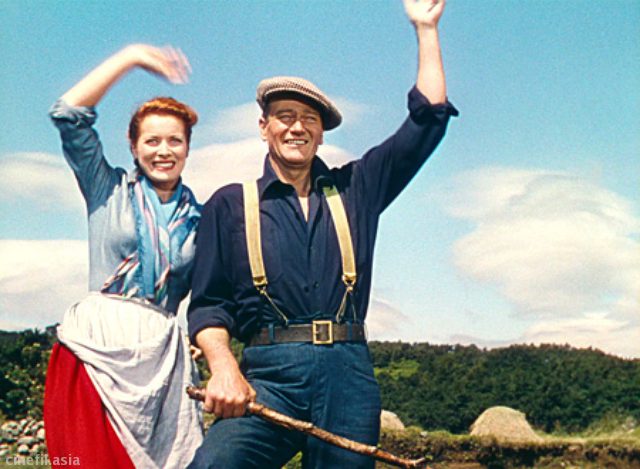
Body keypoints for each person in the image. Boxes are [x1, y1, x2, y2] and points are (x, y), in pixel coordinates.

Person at [187, 1, 457, 467]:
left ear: (322, 134)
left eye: (309, 119)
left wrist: (426, 29)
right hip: (267, 377)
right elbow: (209, 305)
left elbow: (428, 120)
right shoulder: (228, 205)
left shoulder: (357, 188)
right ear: (264, 127)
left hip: (347, 377)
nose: (297, 127)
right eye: (285, 116)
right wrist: (224, 368)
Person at [44, 44, 203, 469]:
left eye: (175, 140)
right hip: (96, 351)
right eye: (152, 140)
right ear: (133, 147)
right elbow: (67, 113)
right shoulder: (107, 190)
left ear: (187, 148)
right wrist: (132, 57)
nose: (163, 150)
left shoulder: (201, 220)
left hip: (160, 360)